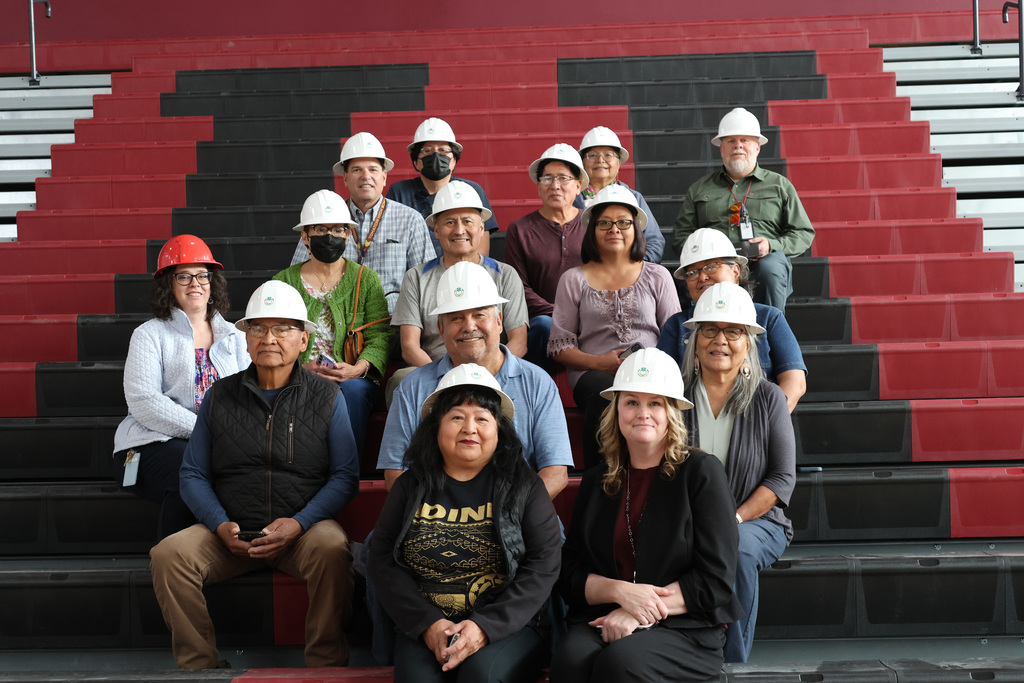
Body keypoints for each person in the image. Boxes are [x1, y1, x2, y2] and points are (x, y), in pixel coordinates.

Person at [149, 280, 360, 670]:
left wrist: (299, 524)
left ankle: (325, 664)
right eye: (258, 328)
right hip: (233, 530)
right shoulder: (220, 395)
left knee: (334, 548)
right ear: (245, 339)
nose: (269, 338)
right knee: (168, 554)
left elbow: (345, 476)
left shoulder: (328, 397)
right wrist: (219, 524)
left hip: (302, 532)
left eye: (283, 328)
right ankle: (199, 666)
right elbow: (193, 474)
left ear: (303, 340)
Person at [550, 348, 742, 683]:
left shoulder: (701, 472)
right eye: (632, 402)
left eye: (655, 403)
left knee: (620, 662)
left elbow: (716, 579)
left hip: (685, 625)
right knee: (570, 660)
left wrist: (636, 612)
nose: (643, 413)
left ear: (671, 412)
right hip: (606, 614)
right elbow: (571, 571)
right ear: (617, 411)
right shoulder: (598, 479)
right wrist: (619, 593)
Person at [369, 363, 562, 683]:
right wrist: (428, 624)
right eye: (457, 417)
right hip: (427, 626)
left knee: (480, 676)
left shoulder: (524, 486)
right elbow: (382, 560)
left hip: (508, 626)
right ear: (436, 426)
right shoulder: (411, 486)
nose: (469, 428)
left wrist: (485, 627)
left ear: (499, 430)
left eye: (482, 419)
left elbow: (544, 565)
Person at [680, 281, 796, 663]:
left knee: (738, 549)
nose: (721, 340)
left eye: (733, 331)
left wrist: (732, 518)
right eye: (709, 329)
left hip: (755, 521)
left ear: (749, 343)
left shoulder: (769, 397)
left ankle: (731, 660)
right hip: (686, 518)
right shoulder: (675, 397)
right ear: (695, 340)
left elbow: (781, 479)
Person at [113, 235, 250, 539]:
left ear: (213, 282)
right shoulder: (149, 335)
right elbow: (144, 401)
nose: (195, 284)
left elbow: (248, 395)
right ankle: (171, 568)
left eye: (202, 275)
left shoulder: (235, 336)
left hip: (218, 443)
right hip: (149, 444)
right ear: (168, 285)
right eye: (183, 276)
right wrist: (208, 430)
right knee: (188, 474)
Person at [548, 184, 680, 469]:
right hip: (592, 374)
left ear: (636, 229)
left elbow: (674, 336)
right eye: (604, 223)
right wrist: (599, 363)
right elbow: (560, 346)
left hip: (650, 372)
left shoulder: (658, 275)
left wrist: (648, 365)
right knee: (604, 391)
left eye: (623, 222)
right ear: (592, 231)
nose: (614, 229)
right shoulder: (573, 279)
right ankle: (601, 480)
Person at [275, 189, 392, 454]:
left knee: (350, 392)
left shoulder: (366, 279)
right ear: (305, 236)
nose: (330, 236)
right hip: (298, 377)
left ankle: (345, 472)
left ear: (348, 235)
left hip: (353, 380)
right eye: (320, 229)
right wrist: (299, 368)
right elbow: (273, 338)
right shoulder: (282, 283)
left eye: (339, 229)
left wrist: (358, 369)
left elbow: (380, 335)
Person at [673, 107, 815, 313]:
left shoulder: (779, 185)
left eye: (745, 140)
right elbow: (680, 237)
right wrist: (708, 255)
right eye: (731, 141)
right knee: (699, 274)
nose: (738, 146)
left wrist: (771, 244)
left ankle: (769, 336)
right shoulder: (699, 188)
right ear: (721, 148)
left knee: (769, 268)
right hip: (716, 264)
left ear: (757, 147)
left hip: (763, 262)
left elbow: (803, 233)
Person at [658, 228, 807, 413]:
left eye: (711, 266)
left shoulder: (768, 318)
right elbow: (660, 386)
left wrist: (768, 425)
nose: (702, 277)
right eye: (692, 272)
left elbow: (795, 382)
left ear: (736, 271)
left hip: (756, 422)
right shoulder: (677, 325)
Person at [290, 131, 436, 313]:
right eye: (357, 170)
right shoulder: (323, 218)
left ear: (384, 177)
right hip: (337, 323)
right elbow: (295, 279)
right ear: (345, 177)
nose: (365, 176)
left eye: (373, 170)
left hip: (393, 324)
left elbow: (427, 283)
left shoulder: (410, 220)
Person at [503, 143, 589, 369]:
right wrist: (559, 314)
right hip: (543, 320)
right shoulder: (519, 229)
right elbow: (518, 287)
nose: (556, 186)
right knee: (543, 325)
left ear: (578, 186)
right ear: (538, 187)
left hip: (590, 317)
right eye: (548, 179)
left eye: (563, 178)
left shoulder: (594, 226)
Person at [386, 117, 500, 255]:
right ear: (416, 162)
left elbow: (481, 250)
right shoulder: (399, 192)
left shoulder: (472, 191)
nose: (435, 156)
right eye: (427, 151)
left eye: (443, 150)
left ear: (454, 161)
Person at [573, 126, 664, 263]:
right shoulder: (571, 200)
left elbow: (654, 243)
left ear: (619, 163)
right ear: (583, 162)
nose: (600, 160)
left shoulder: (634, 198)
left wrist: (631, 269)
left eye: (608, 155)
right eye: (592, 155)